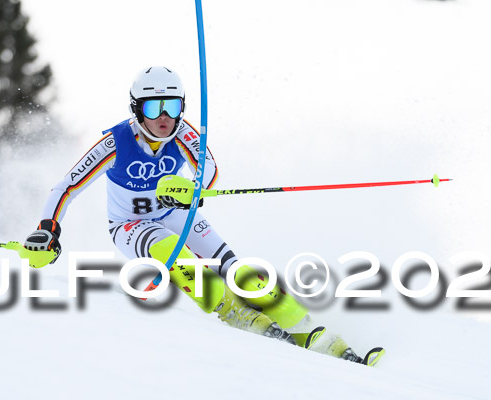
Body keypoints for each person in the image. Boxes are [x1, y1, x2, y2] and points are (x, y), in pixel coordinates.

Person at [24, 66, 373, 364]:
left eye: (172, 105)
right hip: (131, 225)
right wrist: (47, 230)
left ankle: (307, 327)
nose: (164, 117)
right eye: (154, 106)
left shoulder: (184, 132)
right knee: (170, 250)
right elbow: (66, 187)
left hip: (175, 214)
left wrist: (191, 188)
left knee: (237, 269)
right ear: (137, 108)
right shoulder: (115, 143)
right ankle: (231, 310)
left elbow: (208, 167)